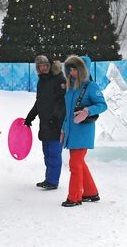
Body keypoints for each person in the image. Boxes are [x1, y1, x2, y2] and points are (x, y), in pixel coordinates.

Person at [60, 55, 107, 207]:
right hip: (71, 131)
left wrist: (87, 110)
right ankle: (91, 192)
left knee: (75, 163)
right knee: (79, 163)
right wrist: (63, 129)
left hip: (84, 131)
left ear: (83, 70)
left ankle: (74, 197)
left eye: (75, 69)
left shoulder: (91, 86)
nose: (72, 72)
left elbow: (102, 105)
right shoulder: (70, 86)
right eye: (70, 69)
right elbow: (68, 112)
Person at [24, 55, 66, 190]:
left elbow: (62, 102)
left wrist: (56, 116)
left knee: (54, 153)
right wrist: (30, 116)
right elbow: (39, 102)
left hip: (56, 123)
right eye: (40, 66)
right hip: (45, 123)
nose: (43, 68)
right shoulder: (41, 81)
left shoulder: (59, 79)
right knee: (47, 152)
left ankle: (53, 181)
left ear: (50, 65)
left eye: (45, 65)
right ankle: (49, 179)